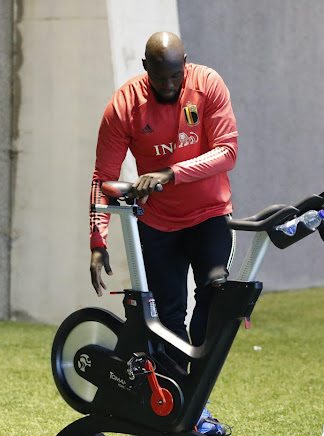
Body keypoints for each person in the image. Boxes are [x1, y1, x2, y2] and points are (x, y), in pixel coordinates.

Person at [89, 31, 238, 372]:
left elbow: (227, 153)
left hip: (210, 215)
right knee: (167, 316)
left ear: (185, 64)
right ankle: (175, 406)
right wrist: (98, 241)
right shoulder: (124, 106)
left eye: (176, 75)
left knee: (216, 296)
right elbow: (103, 178)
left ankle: (198, 396)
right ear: (145, 68)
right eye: (160, 78)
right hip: (158, 225)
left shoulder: (208, 85)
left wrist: (170, 173)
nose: (169, 85)